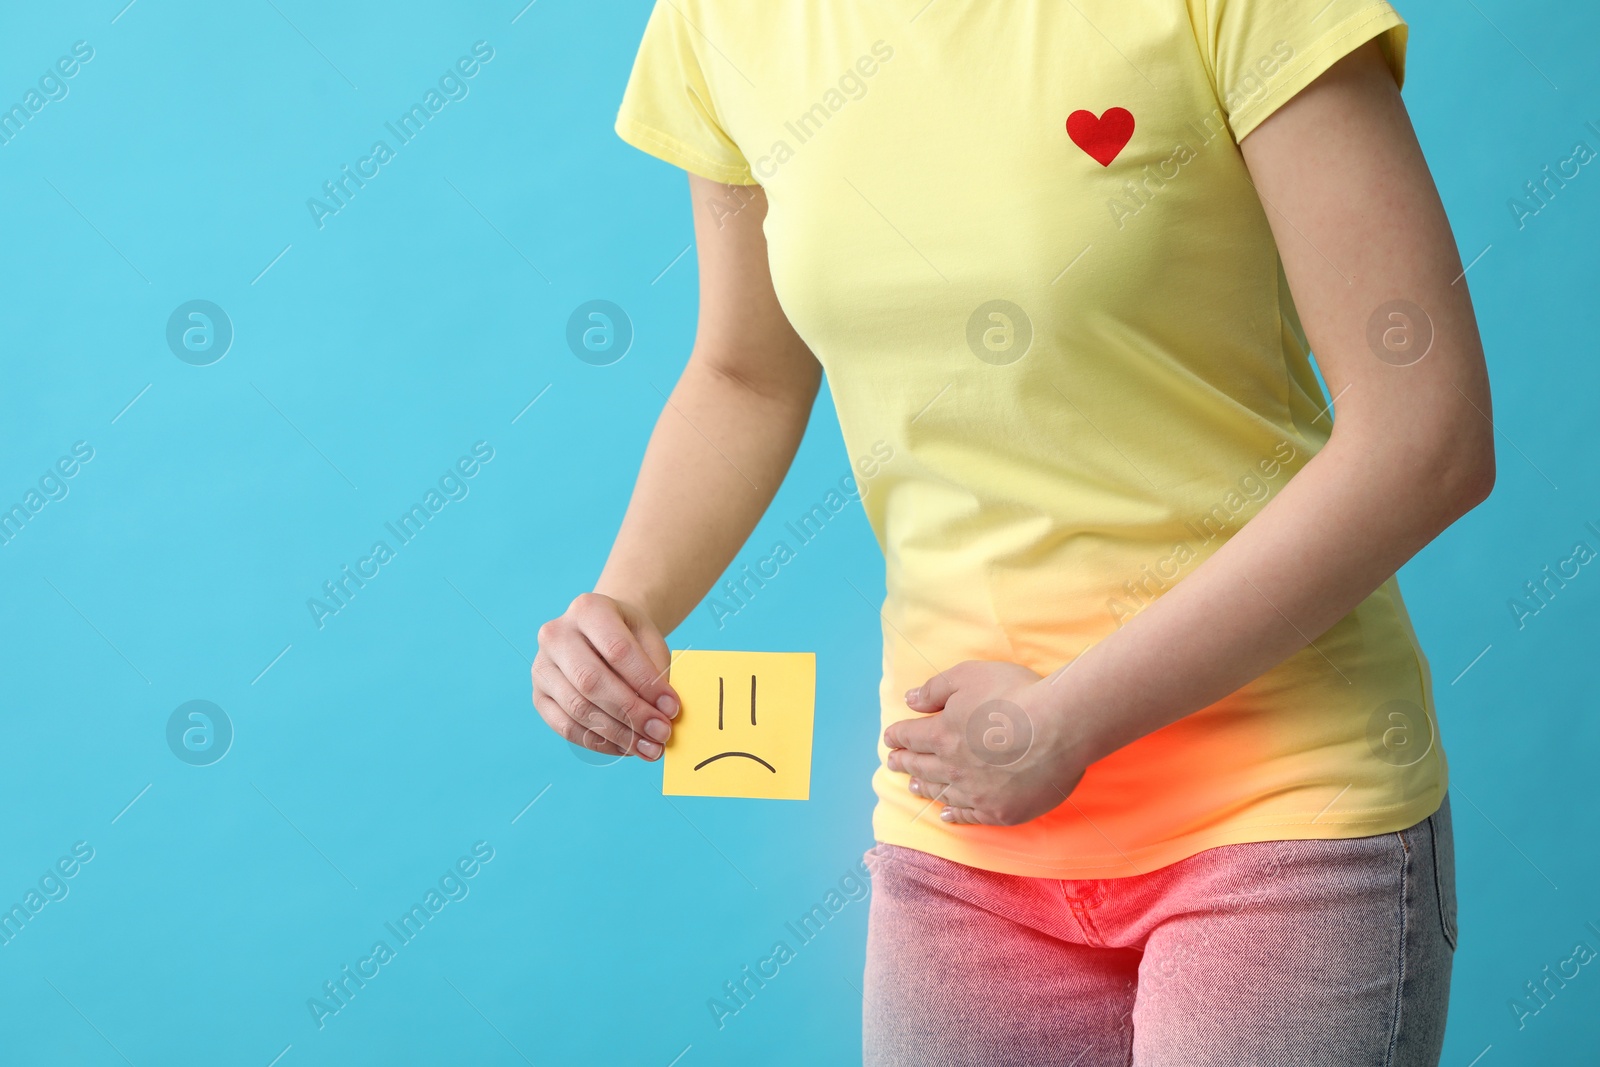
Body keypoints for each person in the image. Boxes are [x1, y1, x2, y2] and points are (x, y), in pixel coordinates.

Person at [532, 1, 1492, 1063]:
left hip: (1277, 807)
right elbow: (745, 372)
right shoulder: (723, 19)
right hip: (962, 836)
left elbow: (1426, 437)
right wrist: (623, 607)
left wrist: (1069, 720)